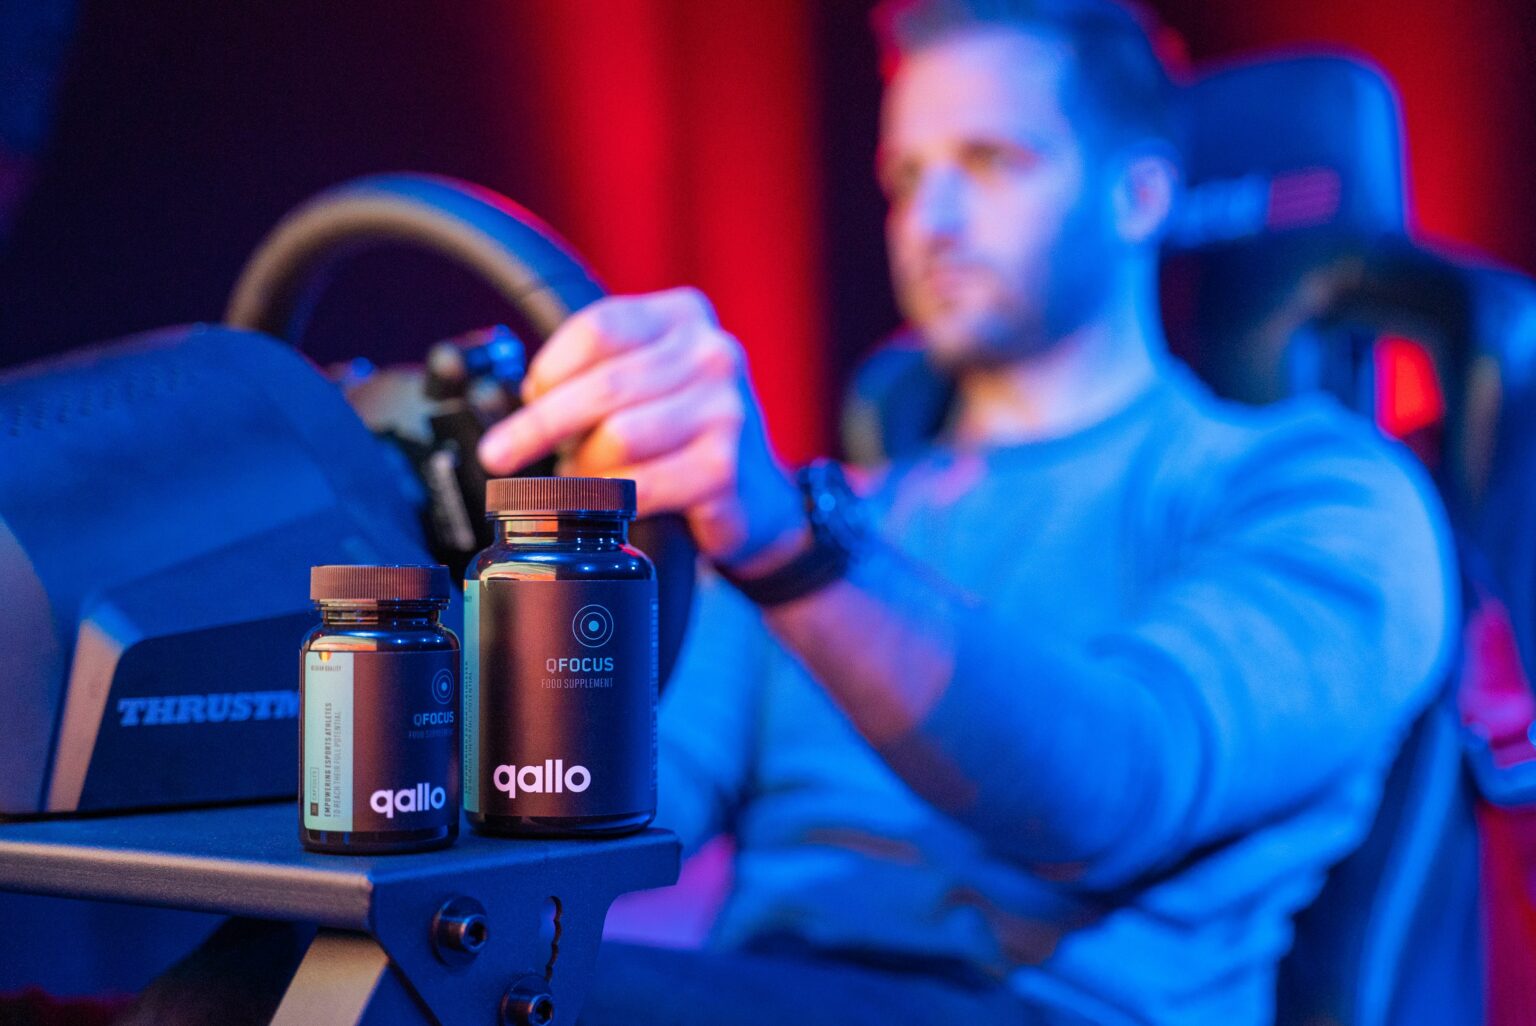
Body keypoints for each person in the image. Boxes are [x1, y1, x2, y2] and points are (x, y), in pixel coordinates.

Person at [474, 1, 1456, 1024]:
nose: (931, 223)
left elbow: (1116, 791)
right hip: (768, 988)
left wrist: (793, 551)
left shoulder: (1319, 491)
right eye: (907, 178)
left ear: (1139, 196)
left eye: (990, 161)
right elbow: (629, 793)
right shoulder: (835, 514)